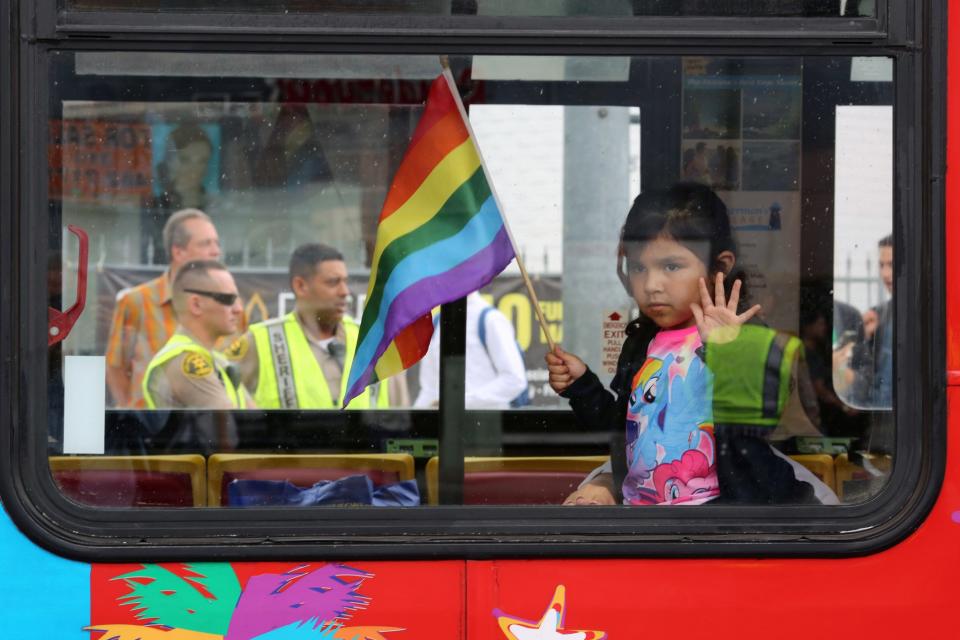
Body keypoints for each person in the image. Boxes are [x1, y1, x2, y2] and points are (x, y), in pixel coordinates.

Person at [546, 183, 837, 506]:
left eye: (671, 266)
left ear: (720, 267)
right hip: (646, 515)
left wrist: (728, 353)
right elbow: (623, 432)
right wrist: (583, 386)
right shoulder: (642, 342)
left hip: (718, 520)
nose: (652, 285)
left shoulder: (740, 333)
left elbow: (759, 421)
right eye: (639, 267)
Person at [231, 243, 408, 409]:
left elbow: (403, 419)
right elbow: (228, 412)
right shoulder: (259, 342)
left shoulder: (376, 342)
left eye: (345, 281)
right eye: (333, 282)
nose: (344, 291)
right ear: (300, 286)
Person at [105, 208, 226, 409]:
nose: (216, 251)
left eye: (216, 243)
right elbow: (115, 366)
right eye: (206, 243)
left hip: (209, 429)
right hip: (152, 433)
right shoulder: (136, 302)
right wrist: (133, 416)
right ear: (178, 252)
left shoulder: (228, 304)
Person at [141, 259, 252, 412]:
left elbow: (254, 418)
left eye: (238, 300)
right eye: (228, 299)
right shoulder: (187, 361)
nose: (239, 309)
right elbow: (230, 428)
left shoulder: (217, 360)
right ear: (196, 305)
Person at [414, 291, 528, 410]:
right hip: (447, 424)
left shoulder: (491, 319)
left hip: (487, 424)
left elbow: (515, 380)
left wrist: (460, 402)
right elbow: (429, 390)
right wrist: (411, 423)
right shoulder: (436, 324)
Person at [142, 124, 214, 263]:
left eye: (202, 161)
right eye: (185, 160)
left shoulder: (217, 207)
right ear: (169, 161)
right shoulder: (155, 208)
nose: (195, 169)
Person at [850, 234, 893, 407]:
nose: (885, 273)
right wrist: (864, 337)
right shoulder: (878, 314)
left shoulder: (926, 314)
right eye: (881, 265)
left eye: (891, 264)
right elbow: (864, 371)